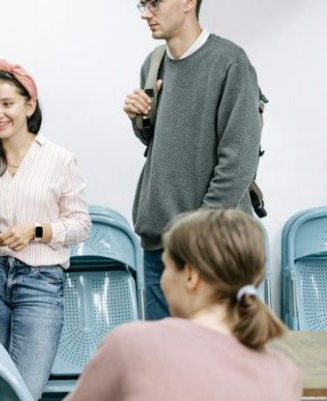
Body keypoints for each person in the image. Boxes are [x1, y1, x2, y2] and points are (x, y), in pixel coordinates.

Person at [65, 208, 302, 400]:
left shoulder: (130, 345)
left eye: (166, 267)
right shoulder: (283, 373)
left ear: (190, 276)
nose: (162, 280)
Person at [0, 59, 91, 400]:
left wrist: (36, 231)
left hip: (41, 282)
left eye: (7, 104)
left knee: (24, 391)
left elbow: (80, 225)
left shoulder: (60, 159)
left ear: (29, 105)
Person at [123, 0, 264, 320]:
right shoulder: (153, 63)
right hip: (159, 243)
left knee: (218, 361)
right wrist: (139, 119)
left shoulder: (230, 62)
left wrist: (196, 236)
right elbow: (163, 145)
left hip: (212, 247)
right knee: (165, 361)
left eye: (155, 3)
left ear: (188, 2)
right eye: (142, 4)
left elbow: (239, 162)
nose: (146, 13)